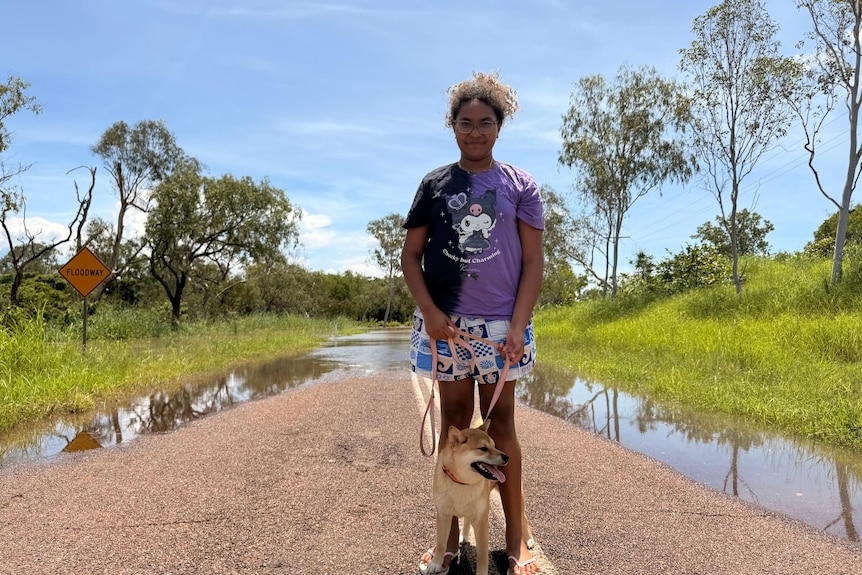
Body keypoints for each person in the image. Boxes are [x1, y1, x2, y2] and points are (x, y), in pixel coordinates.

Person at [401, 71, 544, 575]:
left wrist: (516, 325)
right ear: (453, 126)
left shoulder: (519, 185)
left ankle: (516, 543)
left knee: (501, 428)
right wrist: (433, 315)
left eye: (486, 123)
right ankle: (448, 541)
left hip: (502, 324)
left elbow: (532, 263)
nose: (475, 132)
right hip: (446, 327)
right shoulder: (435, 185)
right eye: (466, 123)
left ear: (499, 127)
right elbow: (410, 256)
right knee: (456, 429)